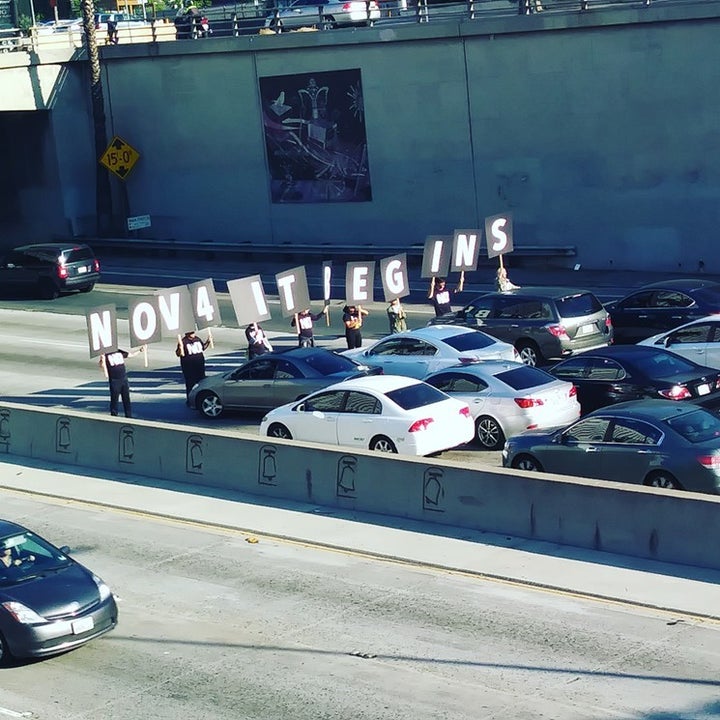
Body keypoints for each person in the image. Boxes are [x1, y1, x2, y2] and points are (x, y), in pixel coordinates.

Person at [99, 347, 144, 418]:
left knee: (126, 399)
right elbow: (102, 366)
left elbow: (130, 355)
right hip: (114, 380)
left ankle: (128, 416)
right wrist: (102, 359)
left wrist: (139, 351)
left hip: (123, 379)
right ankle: (114, 416)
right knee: (114, 400)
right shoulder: (105, 355)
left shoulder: (118, 351)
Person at [176, 329, 211, 405]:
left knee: (202, 383)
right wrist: (180, 348)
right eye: (191, 332)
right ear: (187, 333)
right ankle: (190, 400)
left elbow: (202, 348)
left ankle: (201, 399)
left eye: (193, 332)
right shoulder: (183, 341)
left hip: (199, 366)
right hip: (189, 367)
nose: (193, 333)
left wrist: (208, 342)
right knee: (190, 384)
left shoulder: (197, 339)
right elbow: (178, 354)